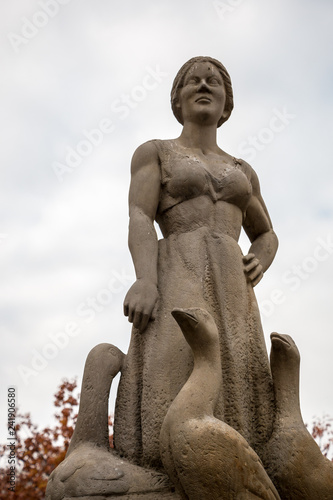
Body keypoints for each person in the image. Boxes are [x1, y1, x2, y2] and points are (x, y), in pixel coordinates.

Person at [114, 56, 279, 470]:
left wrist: (260, 257)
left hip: (232, 284)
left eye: (214, 82)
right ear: (178, 100)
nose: (203, 85)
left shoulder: (242, 169)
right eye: (193, 81)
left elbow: (266, 232)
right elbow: (139, 216)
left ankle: (241, 469)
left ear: (226, 104)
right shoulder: (156, 152)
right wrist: (145, 281)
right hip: (178, 269)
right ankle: (169, 464)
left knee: (238, 370)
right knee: (175, 365)